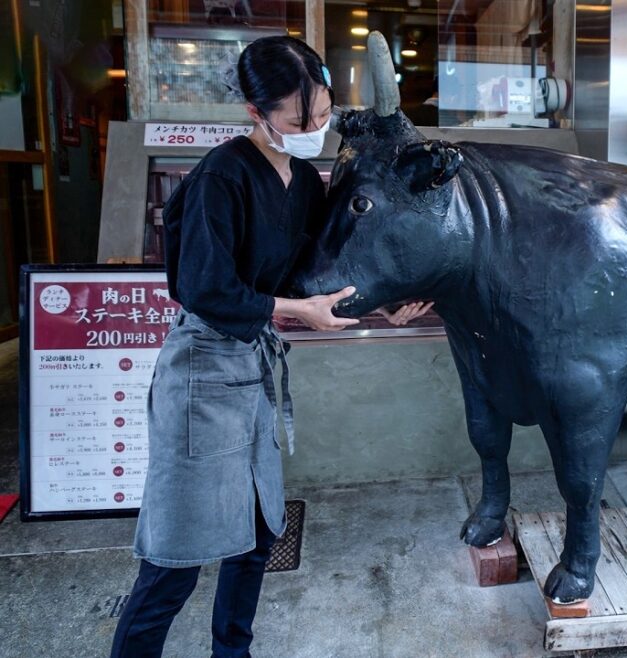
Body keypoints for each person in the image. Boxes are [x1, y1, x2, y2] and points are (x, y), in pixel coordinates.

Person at [110, 36, 429, 657]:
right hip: (201, 374)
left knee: (257, 537)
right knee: (174, 562)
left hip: (250, 372)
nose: (314, 128)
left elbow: (311, 271)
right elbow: (206, 288)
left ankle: (234, 651)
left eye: (322, 115)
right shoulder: (221, 177)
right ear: (256, 115)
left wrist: (378, 306)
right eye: (297, 119)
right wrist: (299, 312)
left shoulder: (305, 184)